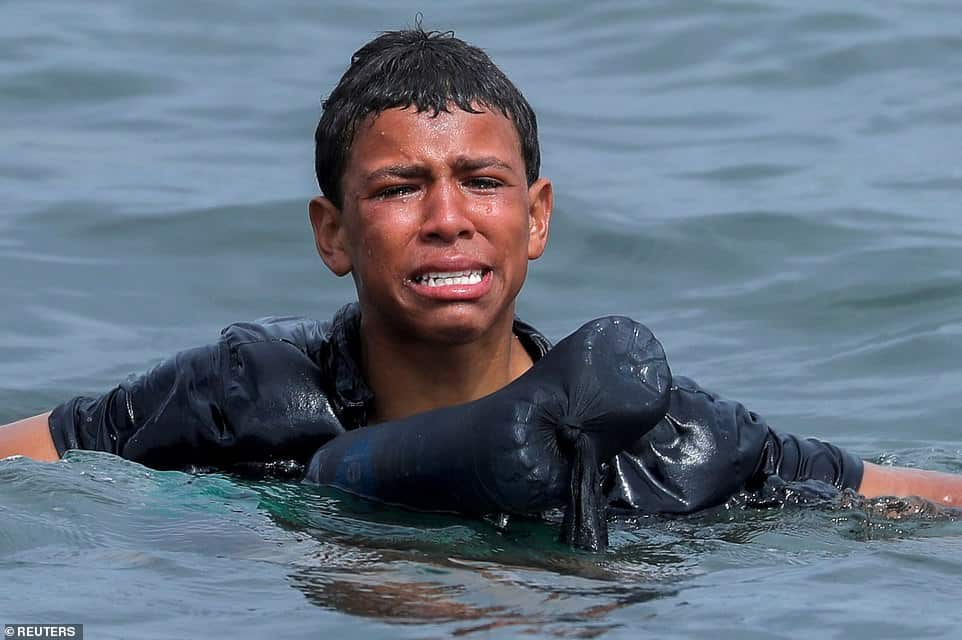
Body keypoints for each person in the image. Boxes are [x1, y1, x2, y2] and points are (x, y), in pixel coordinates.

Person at [2, 27, 961, 521]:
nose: (449, 219)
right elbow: (28, 461)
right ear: (331, 234)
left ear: (535, 218)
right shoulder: (243, 396)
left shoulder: (672, 442)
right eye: (399, 187)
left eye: (482, 181)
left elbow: (905, 502)